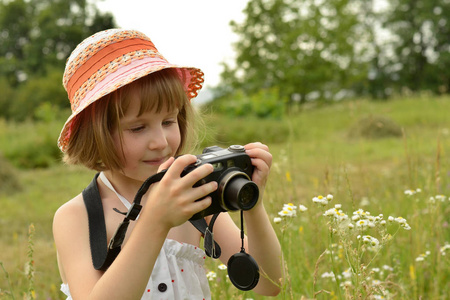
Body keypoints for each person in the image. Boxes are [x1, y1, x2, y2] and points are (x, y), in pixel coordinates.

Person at [53, 28, 282, 300]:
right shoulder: (77, 217)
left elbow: (269, 284)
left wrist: (252, 206)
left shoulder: (194, 195)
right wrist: (155, 222)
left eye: (168, 121)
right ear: (95, 136)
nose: (160, 142)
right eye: (138, 128)